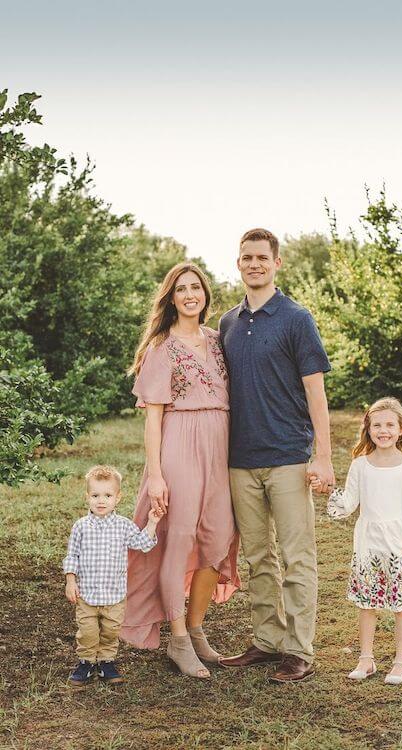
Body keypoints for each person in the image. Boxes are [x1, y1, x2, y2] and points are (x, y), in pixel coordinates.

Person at [218, 228, 335, 683]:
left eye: (262, 257)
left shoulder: (296, 319)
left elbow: (316, 394)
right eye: (246, 257)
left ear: (276, 263)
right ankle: (268, 640)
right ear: (239, 263)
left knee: (297, 556)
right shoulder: (227, 324)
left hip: (288, 455)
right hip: (239, 459)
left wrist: (321, 457)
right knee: (258, 557)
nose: (254, 264)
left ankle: (299, 649)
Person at [120, 262, 240, 679]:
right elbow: (152, 419)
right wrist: (155, 475)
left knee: (219, 536)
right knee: (180, 537)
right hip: (180, 445)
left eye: (196, 287)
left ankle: (196, 626)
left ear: (205, 294)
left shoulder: (217, 339)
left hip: (220, 445)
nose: (190, 294)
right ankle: (177, 639)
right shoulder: (161, 347)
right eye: (182, 289)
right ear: (171, 298)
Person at [320, 397, 402, 685]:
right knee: (366, 605)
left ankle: (400, 662)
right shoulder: (360, 465)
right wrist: (328, 490)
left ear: (401, 430)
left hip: (399, 546)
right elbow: (349, 504)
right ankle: (366, 658)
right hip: (367, 546)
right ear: (368, 429)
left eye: (389, 425)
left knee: (401, 607)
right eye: (377, 425)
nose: (383, 430)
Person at [63, 465, 162, 688]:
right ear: (87, 497)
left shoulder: (123, 526)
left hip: (114, 595)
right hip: (86, 594)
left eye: (107, 495)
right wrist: (71, 581)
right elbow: (72, 556)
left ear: (117, 498)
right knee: (87, 632)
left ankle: (106, 662)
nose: (101, 500)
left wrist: (153, 523)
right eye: (96, 495)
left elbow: (142, 544)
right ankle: (86, 663)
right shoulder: (81, 527)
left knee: (110, 631)